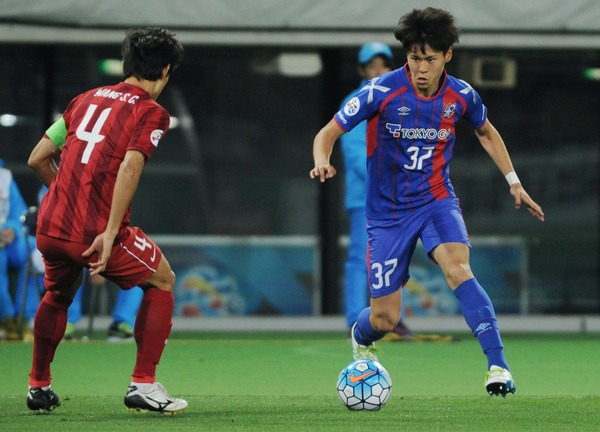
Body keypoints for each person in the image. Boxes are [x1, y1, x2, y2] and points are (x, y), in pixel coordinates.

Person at [310, 7, 544, 397]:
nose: (421, 68)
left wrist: (514, 182)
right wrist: (321, 160)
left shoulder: (462, 95)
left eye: (430, 59)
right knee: (385, 318)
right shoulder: (380, 91)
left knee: (458, 268)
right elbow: (328, 132)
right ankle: (362, 335)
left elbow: (486, 132)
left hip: (436, 199)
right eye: (415, 58)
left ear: (447, 56)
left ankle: (498, 366)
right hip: (386, 214)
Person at [26, 27, 186, 413]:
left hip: (51, 227)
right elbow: (132, 165)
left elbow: (37, 158)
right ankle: (143, 385)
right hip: (94, 231)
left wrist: (64, 196)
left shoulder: (83, 100)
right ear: (165, 69)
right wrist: (110, 232)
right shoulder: (151, 112)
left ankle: (38, 387)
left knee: (58, 295)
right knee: (162, 279)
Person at [339, 42, 412, 339]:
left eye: (383, 65)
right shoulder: (356, 99)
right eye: (372, 66)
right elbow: (355, 151)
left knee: (397, 257)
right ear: (362, 70)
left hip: (397, 197)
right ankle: (356, 319)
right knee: (361, 257)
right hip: (367, 197)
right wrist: (387, 185)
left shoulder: (397, 99)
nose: (378, 70)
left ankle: (392, 320)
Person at [0, 160, 30, 340]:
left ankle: (25, 317)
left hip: (8, 239)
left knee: (33, 251)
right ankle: (7, 317)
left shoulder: (5, 176)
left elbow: (20, 211)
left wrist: (12, 228)